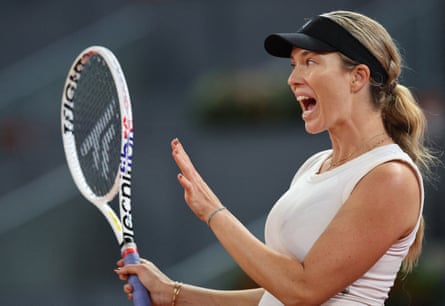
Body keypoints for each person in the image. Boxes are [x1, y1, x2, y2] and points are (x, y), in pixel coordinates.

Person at [115, 10, 437, 305]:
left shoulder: (390, 177)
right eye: (293, 64)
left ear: (358, 77)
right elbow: (277, 297)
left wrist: (213, 212)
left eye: (310, 62)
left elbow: (304, 289)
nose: (293, 78)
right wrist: (173, 293)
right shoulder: (314, 167)